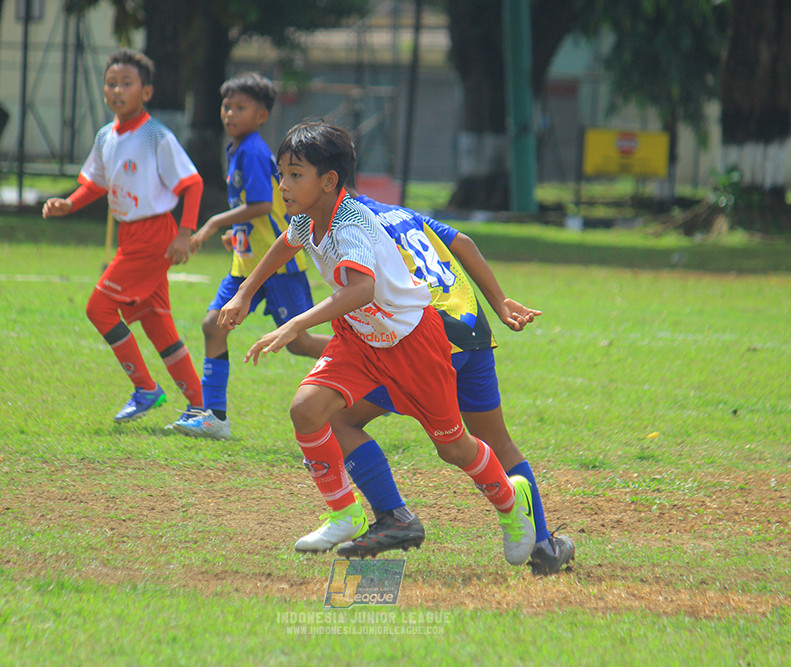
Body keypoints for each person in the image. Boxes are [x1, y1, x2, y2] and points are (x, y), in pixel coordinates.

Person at [217, 120, 537, 566]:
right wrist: (245, 292)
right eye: (281, 173)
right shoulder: (310, 219)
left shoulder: (350, 223)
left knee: (453, 447)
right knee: (306, 410)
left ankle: (510, 501)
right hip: (359, 339)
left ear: (329, 181)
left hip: (413, 342)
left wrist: (294, 326)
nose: (283, 184)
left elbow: (360, 291)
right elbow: (285, 245)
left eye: (294, 174)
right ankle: (345, 514)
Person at [329, 187, 575, 575]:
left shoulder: (350, 226)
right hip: (472, 327)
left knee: (338, 419)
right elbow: (463, 241)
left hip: (427, 339)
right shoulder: (399, 212)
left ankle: (393, 515)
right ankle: (543, 546)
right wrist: (500, 301)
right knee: (497, 441)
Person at [42, 48, 207, 428]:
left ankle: (146, 389)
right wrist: (69, 204)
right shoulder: (107, 136)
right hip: (130, 234)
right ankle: (200, 408)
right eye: (111, 83)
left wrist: (185, 234)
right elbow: (95, 183)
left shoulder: (155, 136)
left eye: (127, 84)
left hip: (153, 234)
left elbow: (193, 183)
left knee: (98, 308)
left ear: (145, 92)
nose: (117, 90)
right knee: (155, 321)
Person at [177, 72, 327, 440]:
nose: (230, 113)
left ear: (261, 115)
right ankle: (214, 417)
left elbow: (261, 205)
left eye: (240, 107)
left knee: (300, 344)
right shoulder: (237, 150)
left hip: (280, 266)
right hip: (245, 264)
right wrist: (237, 234)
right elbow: (256, 209)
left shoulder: (255, 152)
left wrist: (213, 223)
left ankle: (376, 361)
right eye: (226, 106)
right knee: (213, 325)